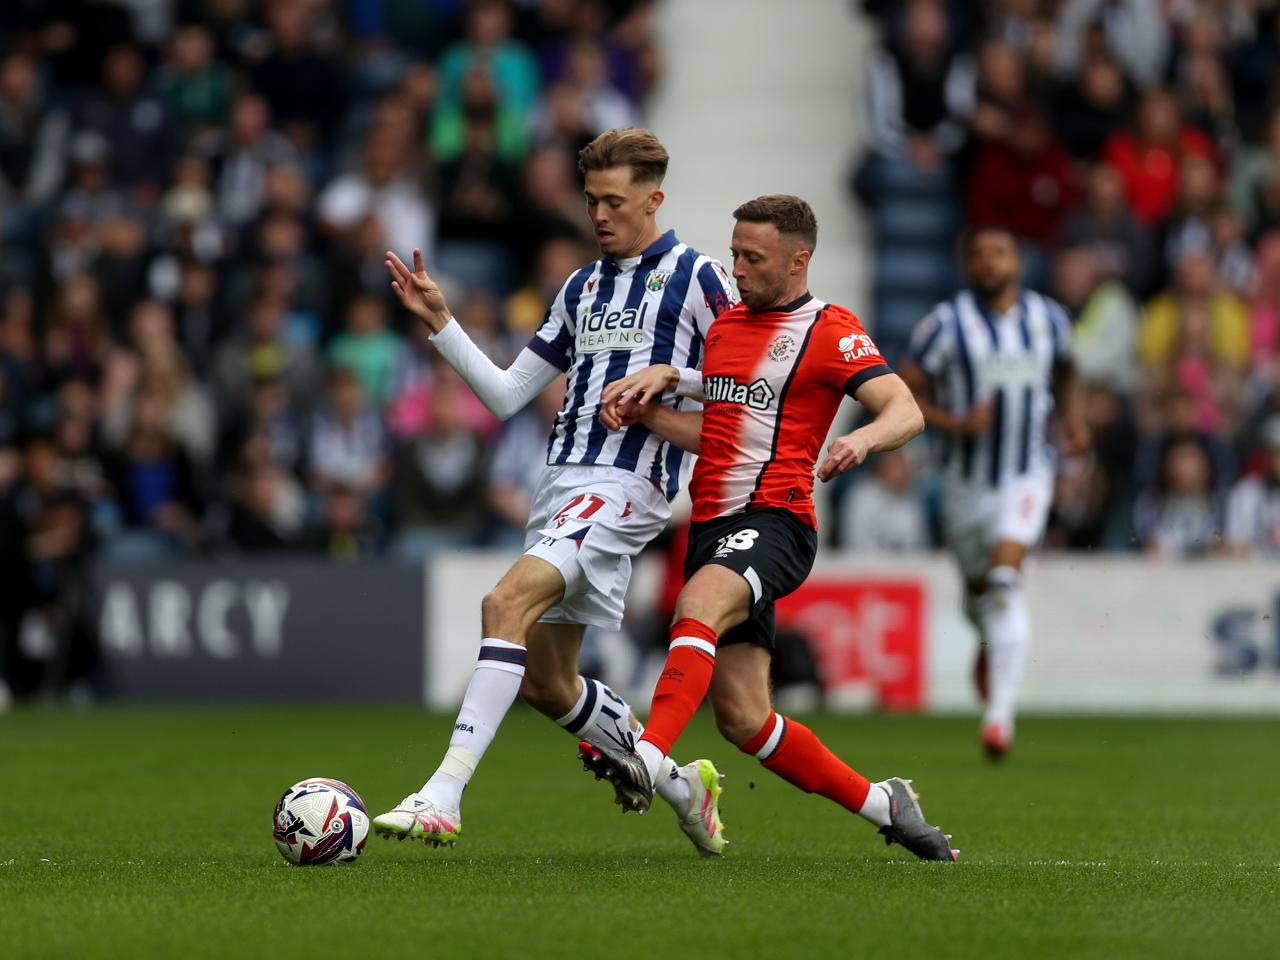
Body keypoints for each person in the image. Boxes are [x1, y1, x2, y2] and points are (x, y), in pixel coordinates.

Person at [373, 128, 736, 855]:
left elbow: (741, 396)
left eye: (615, 201)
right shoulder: (581, 285)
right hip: (561, 487)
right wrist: (442, 323)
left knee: (502, 604)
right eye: (592, 200)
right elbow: (509, 395)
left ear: (654, 199)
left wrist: (672, 385)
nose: (600, 215)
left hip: (627, 486)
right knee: (548, 681)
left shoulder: (700, 279)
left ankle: (443, 793)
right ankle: (680, 785)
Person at [596, 195, 956, 862]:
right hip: (713, 526)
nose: (736, 267)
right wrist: (646, 414)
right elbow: (719, 434)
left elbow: (904, 408)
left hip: (778, 520)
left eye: (752, 257)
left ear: (798, 261)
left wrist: (866, 441)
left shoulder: (829, 329)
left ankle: (648, 757)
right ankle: (887, 804)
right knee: (744, 718)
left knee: (696, 603)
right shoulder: (728, 328)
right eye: (734, 252)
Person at [900, 225, 1090, 759]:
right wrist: (953, 422)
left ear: (1018, 262)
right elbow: (903, 389)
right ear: (967, 265)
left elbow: (1070, 369)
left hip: (1029, 471)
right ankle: (988, 640)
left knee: (1006, 579)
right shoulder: (944, 325)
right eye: (979, 253)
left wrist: (1073, 418)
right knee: (980, 595)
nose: (990, 262)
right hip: (964, 484)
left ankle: (998, 720)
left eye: (999, 252)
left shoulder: (1048, 318)